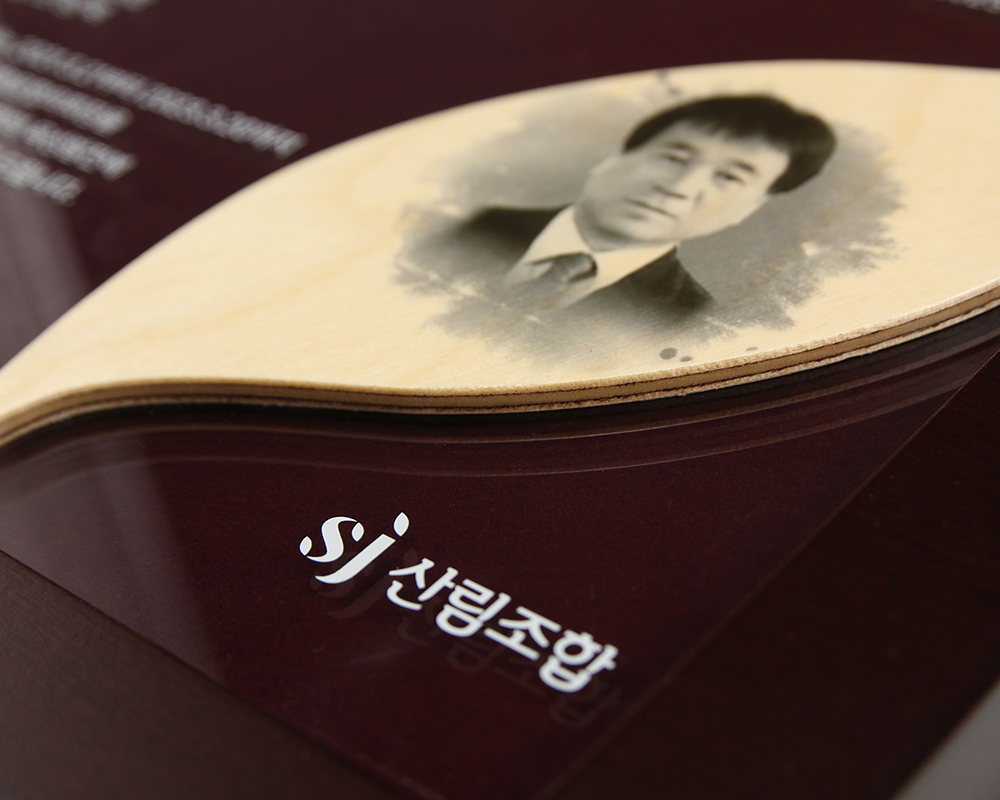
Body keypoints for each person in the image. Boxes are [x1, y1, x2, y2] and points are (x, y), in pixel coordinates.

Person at [450, 95, 836, 325]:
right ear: (614, 159)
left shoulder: (687, 321)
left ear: (750, 208)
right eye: (674, 157)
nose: (679, 187)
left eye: (730, 177)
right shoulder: (463, 226)